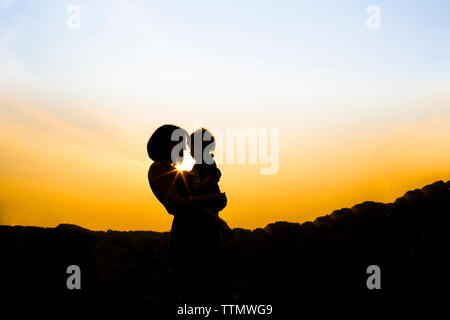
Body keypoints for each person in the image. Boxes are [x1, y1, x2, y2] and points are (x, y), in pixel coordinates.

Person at [147, 124, 227, 299]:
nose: (185, 149)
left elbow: (196, 193)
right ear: (169, 144)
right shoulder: (158, 169)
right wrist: (212, 200)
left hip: (206, 233)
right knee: (195, 289)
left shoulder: (180, 171)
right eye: (181, 144)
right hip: (188, 237)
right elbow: (176, 203)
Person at [187, 128, 232, 241]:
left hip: (209, 193)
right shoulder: (198, 164)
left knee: (205, 212)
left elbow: (212, 177)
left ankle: (223, 226)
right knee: (206, 217)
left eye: (191, 148)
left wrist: (198, 186)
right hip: (205, 194)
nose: (190, 152)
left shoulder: (207, 161)